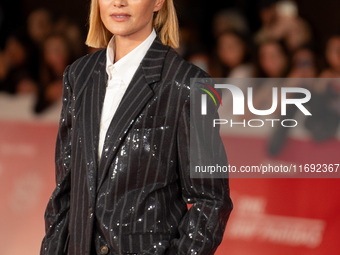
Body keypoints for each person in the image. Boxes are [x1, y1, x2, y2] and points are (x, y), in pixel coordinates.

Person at [40, 0, 232, 255]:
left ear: (158, 2)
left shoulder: (188, 84)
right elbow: (65, 190)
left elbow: (211, 201)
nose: (119, 2)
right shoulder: (79, 75)